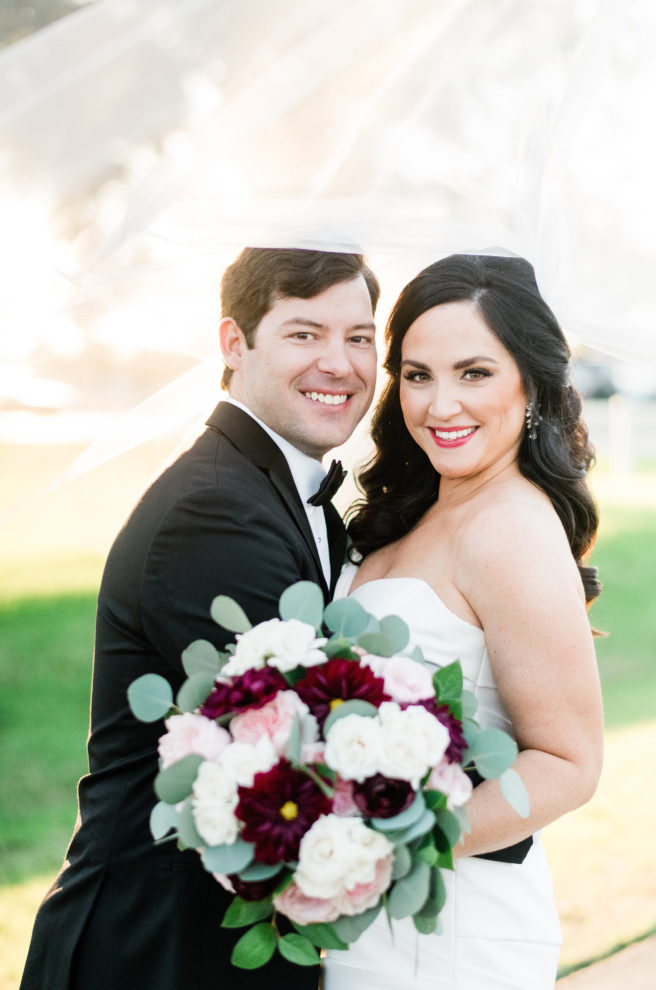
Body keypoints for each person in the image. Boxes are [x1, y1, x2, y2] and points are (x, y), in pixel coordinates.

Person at [20, 246, 380, 990]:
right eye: (304, 334)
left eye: (360, 336)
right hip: (154, 951)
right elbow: (307, 745)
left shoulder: (272, 484)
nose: (340, 364)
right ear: (233, 343)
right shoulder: (213, 509)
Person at [325, 253, 604, 990]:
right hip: (366, 921)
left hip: (451, 934)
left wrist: (392, 847)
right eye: (417, 375)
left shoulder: (512, 526)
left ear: (531, 381)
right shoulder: (417, 512)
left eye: (473, 373)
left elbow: (569, 765)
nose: (439, 405)